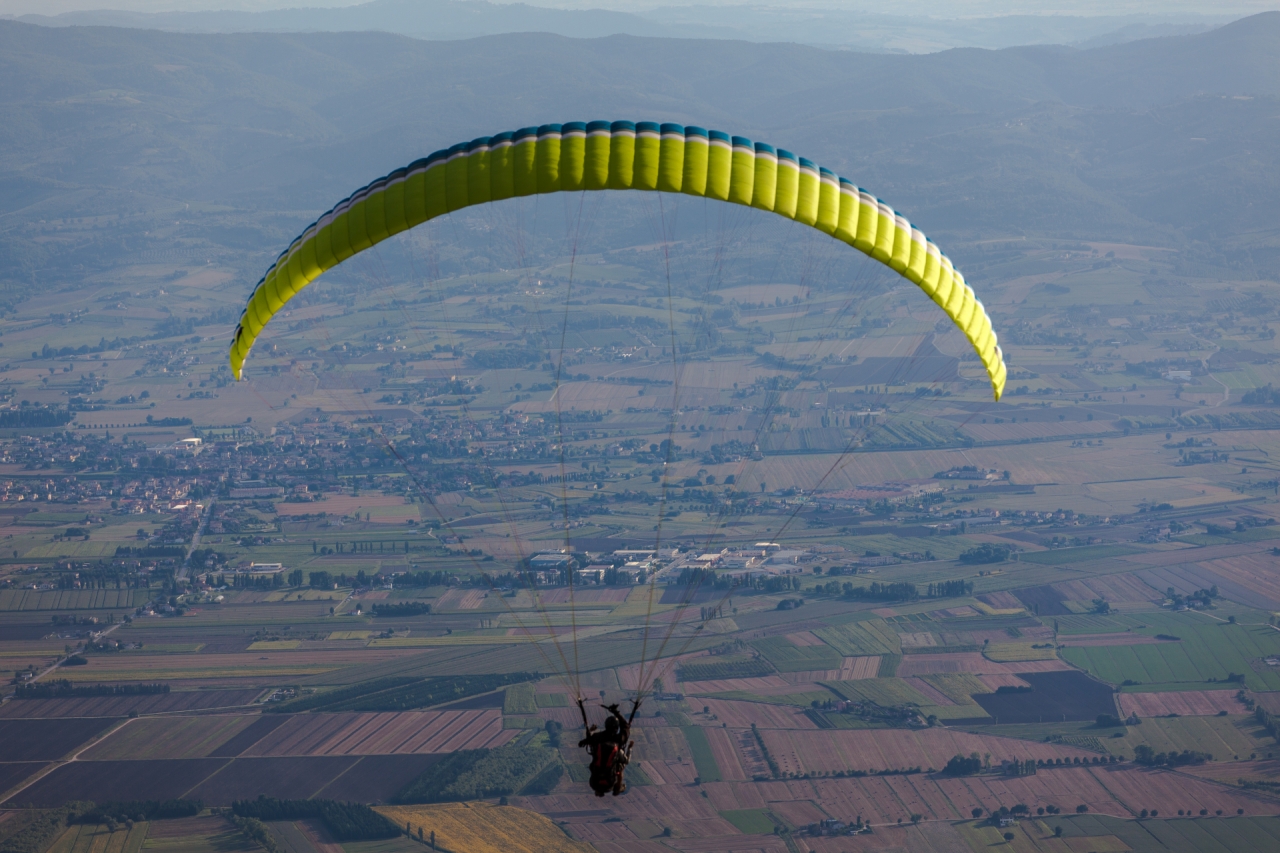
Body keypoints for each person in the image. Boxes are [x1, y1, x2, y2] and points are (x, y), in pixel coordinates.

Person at [577, 698, 638, 796]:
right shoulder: (619, 739)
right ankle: (618, 787)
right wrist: (616, 712)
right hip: (607, 782)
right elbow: (626, 727)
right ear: (617, 728)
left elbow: (582, 743)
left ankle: (601, 790)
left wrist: (590, 732)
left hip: (595, 781)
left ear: (605, 726)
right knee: (621, 765)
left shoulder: (597, 737)